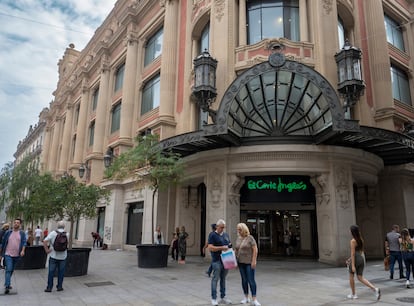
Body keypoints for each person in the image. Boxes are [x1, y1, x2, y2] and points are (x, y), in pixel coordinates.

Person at [347, 225, 380, 300]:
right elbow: (359, 251)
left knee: (351, 276)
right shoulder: (361, 240)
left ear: (352, 232)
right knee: (360, 277)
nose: (349, 231)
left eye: (350, 230)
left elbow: (352, 253)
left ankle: (354, 294)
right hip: (361, 259)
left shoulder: (352, 241)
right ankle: (375, 289)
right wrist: (350, 259)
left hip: (355, 259)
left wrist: (352, 265)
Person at [235, 222, 261, 306]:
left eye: (239, 229)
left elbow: (255, 249)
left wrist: (254, 260)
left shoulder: (250, 238)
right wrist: (233, 259)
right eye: (237, 229)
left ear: (243, 229)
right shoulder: (238, 238)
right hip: (240, 262)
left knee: (251, 280)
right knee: (244, 280)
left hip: (249, 262)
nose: (238, 231)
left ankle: (254, 298)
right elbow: (236, 249)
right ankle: (246, 297)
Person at [208, 219, 232, 306]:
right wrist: (222, 247)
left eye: (224, 227)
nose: (222, 229)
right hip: (217, 260)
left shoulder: (226, 235)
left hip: (226, 260)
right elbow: (210, 247)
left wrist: (229, 247)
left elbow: (229, 244)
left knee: (223, 279)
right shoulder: (212, 235)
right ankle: (214, 298)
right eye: (221, 227)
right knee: (215, 279)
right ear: (217, 226)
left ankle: (223, 297)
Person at [0, 218, 26, 294]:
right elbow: (3, 243)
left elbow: (24, 242)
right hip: (8, 254)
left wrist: (23, 250)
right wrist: (1, 254)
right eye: (15, 222)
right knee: (8, 269)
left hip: (17, 255)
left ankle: (7, 283)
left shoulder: (22, 233)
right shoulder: (8, 232)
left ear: (20, 224)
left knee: (11, 270)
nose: (16, 224)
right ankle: (7, 286)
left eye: (17, 223)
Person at [43, 221, 68, 292]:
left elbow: (44, 241)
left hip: (53, 255)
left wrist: (47, 250)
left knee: (51, 272)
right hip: (63, 256)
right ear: (64, 226)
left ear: (57, 226)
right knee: (61, 272)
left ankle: (49, 287)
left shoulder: (53, 233)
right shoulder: (67, 234)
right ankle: (59, 286)